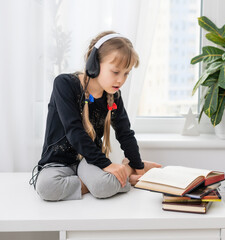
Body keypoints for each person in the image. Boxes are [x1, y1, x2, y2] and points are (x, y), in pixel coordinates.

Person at [29, 31, 161, 201]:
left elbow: (125, 133)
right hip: (58, 162)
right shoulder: (64, 84)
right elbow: (74, 131)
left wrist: (138, 168)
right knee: (46, 188)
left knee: (104, 186)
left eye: (126, 73)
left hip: (89, 161)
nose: (121, 80)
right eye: (115, 72)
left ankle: (126, 169)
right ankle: (118, 176)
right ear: (94, 64)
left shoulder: (114, 96)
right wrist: (106, 166)